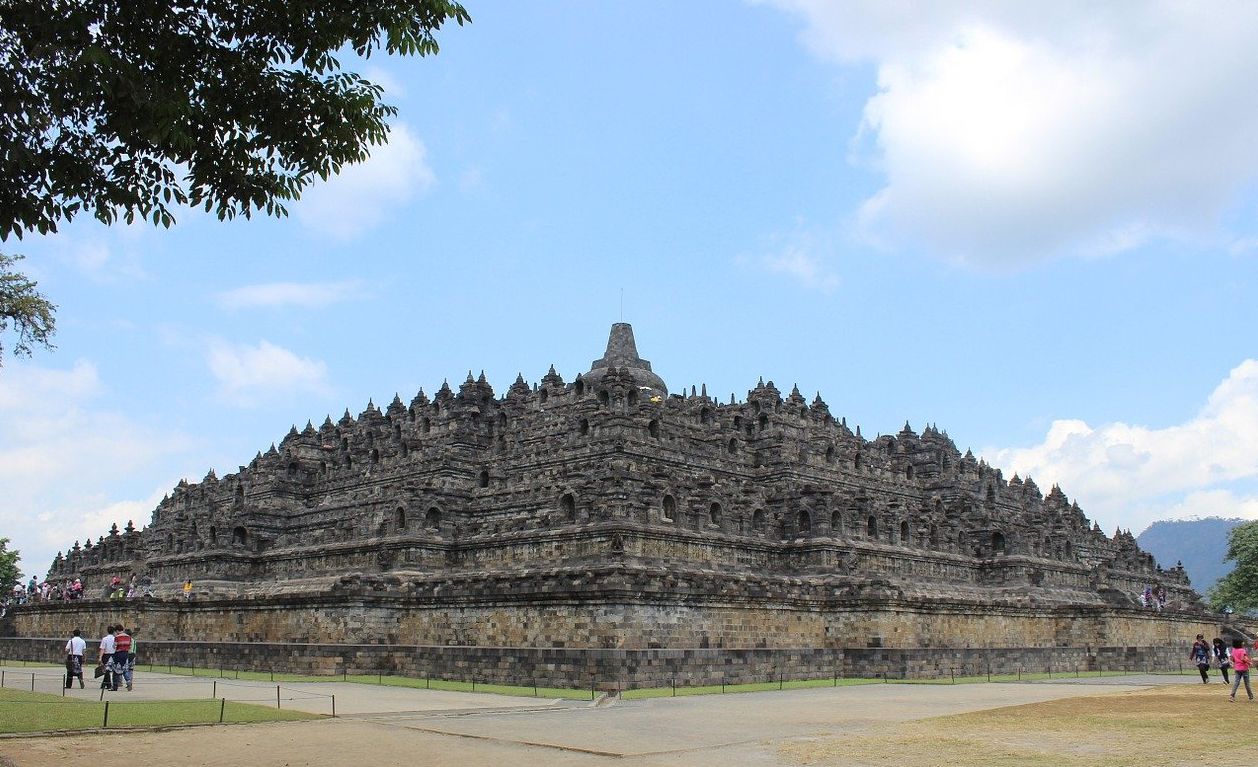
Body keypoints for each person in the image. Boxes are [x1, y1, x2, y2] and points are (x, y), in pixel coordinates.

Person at [112, 626, 133, 691]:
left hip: (119, 654)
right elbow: (130, 646)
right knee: (125, 669)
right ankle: (128, 681)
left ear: (117, 631)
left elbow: (114, 646)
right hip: (126, 654)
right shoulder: (128, 637)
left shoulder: (117, 637)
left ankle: (115, 686)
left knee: (115, 670)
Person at [98, 625, 117, 690]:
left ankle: (107, 684)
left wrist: (100, 657)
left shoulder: (105, 639)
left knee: (107, 670)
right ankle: (104, 684)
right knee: (109, 670)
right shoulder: (115, 639)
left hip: (106, 655)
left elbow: (102, 649)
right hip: (114, 655)